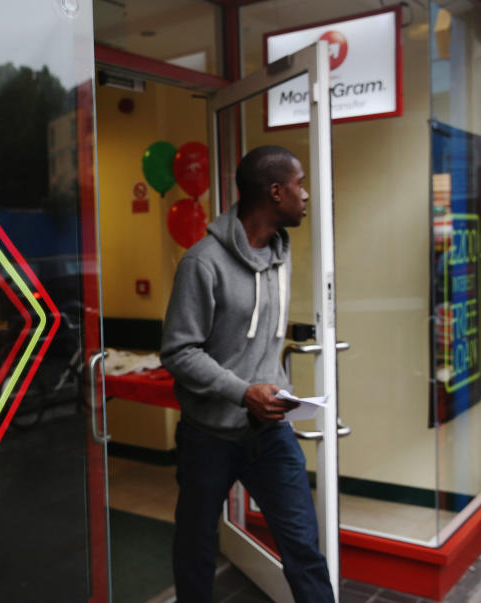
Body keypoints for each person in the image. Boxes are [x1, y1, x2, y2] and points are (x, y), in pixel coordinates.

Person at [160, 145, 334, 602]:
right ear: (275, 193)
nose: (306, 195)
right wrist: (243, 392)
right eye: (299, 184)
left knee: (304, 549)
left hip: (270, 435)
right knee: (195, 549)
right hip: (208, 437)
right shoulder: (202, 262)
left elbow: (261, 340)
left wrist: (276, 391)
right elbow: (179, 351)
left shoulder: (280, 253)